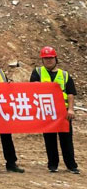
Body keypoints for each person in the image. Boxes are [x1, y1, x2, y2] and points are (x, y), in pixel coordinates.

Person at [31, 46, 79, 174]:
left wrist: (71, 109)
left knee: (66, 139)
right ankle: (53, 164)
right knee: (49, 139)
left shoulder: (64, 75)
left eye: (50, 58)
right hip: (47, 111)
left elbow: (70, 93)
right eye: (45, 58)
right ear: (42, 60)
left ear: (55, 58)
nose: (48, 60)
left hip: (63, 112)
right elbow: (32, 88)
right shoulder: (37, 73)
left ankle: (71, 165)